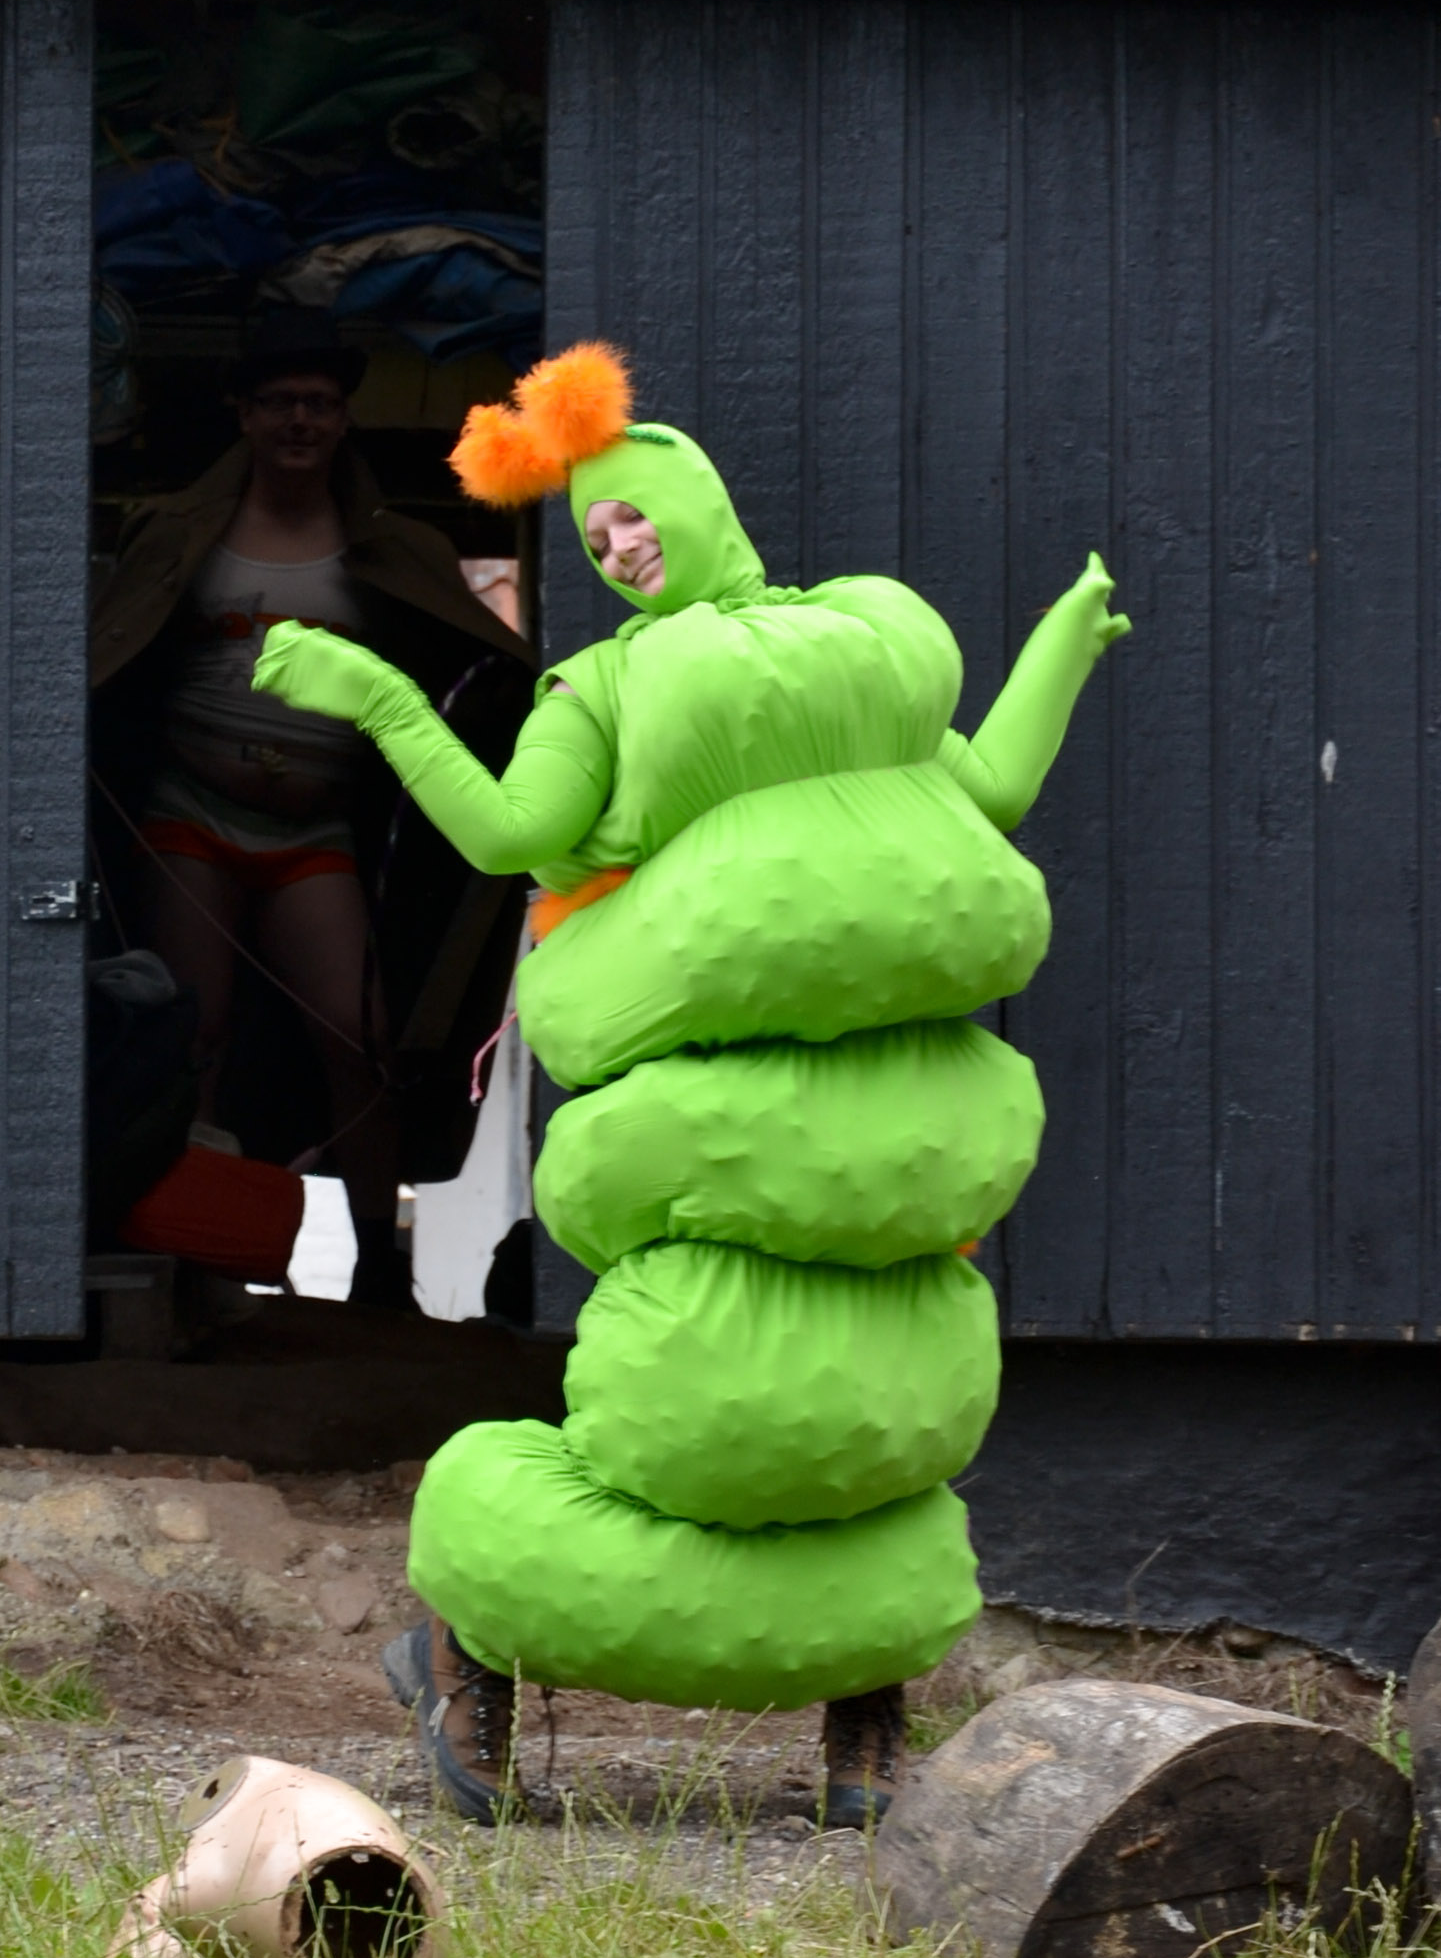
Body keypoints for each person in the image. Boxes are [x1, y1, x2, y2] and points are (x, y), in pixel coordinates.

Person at [251, 342, 1130, 1823]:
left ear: (699, 499)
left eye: (634, 514)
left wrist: (1060, 647)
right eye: (593, 537)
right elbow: (513, 834)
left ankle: (864, 1698)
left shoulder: (852, 640)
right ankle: (475, 1641)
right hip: (724, 1103)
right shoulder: (599, 685)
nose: (619, 547)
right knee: (710, 1410)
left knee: (878, 1414)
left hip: (889, 1115)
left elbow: (983, 792)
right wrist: (383, 700)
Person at [90, 308, 534, 1309]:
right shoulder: (177, 533)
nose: (301, 419)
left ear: (342, 420)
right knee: (192, 1033)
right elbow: (119, 653)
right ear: (244, 413)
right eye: (282, 401)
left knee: (359, 1033)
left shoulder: (394, 547)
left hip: (313, 828)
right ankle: (196, 1254)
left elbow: (465, 664)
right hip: (189, 813)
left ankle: (378, 1269)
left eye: (321, 404)